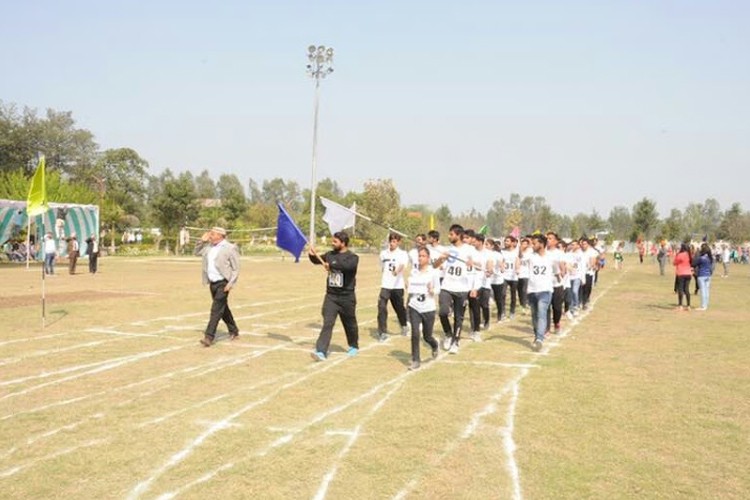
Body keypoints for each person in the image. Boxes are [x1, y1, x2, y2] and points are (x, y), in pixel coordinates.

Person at [308, 231, 360, 361]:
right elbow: (316, 260)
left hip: (347, 297)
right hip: (331, 296)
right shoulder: (330, 255)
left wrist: (331, 265)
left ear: (343, 243)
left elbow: (347, 267)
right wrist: (311, 255)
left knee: (350, 323)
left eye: (335, 241)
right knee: (328, 323)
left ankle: (353, 345)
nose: (332, 243)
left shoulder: (352, 257)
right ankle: (320, 351)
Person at [195, 227, 240, 346]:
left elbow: (236, 268)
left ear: (220, 236)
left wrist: (230, 284)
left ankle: (209, 337)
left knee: (215, 310)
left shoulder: (230, 248)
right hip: (212, 282)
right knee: (223, 309)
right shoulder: (208, 247)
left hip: (223, 283)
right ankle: (234, 330)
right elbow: (196, 253)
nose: (210, 236)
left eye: (212, 234)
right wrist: (201, 241)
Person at [433, 224, 475, 354]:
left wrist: (471, 263)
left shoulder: (469, 250)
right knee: (443, 312)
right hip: (447, 286)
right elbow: (434, 266)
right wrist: (441, 259)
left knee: (459, 317)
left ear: (458, 235)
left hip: (462, 288)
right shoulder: (447, 250)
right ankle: (448, 334)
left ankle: (456, 341)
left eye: (451, 234)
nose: (449, 236)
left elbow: (477, 265)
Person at [406, 246, 441, 370]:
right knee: (415, 333)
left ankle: (435, 345)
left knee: (427, 336)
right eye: (419, 256)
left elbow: (438, 289)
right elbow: (411, 286)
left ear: (428, 258)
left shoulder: (433, 272)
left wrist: (432, 290)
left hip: (428, 307)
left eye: (423, 256)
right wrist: (408, 285)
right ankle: (416, 359)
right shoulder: (414, 271)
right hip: (414, 306)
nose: (420, 258)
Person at [377, 233, 410, 341]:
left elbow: (402, 265)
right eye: (390, 241)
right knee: (381, 307)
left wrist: (397, 271)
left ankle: (404, 325)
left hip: (397, 286)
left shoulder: (403, 254)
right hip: (385, 285)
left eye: (394, 241)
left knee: (399, 308)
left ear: (399, 242)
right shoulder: (383, 254)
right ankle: (382, 332)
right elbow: (382, 267)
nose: (392, 243)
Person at [525, 234, 553, 352]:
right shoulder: (530, 256)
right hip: (532, 290)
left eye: (534, 243)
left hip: (545, 290)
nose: (532, 245)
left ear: (541, 244)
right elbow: (520, 257)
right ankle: (537, 335)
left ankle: (540, 339)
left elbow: (560, 268)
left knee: (541, 314)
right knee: (534, 316)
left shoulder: (551, 257)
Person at [693, 243, 713, 311]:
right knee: (707, 290)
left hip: (702, 275)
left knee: (703, 291)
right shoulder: (710, 258)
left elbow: (693, 264)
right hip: (708, 275)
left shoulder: (701, 258)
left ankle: (703, 306)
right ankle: (706, 304)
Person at [673, 243, 693, 311]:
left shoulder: (680, 255)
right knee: (687, 289)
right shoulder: (689, 255)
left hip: (681, 273)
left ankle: (680, 305)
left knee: (680, 289)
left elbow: (674, 263)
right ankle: (688, 305)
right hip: (688, 273)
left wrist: (676, 254)